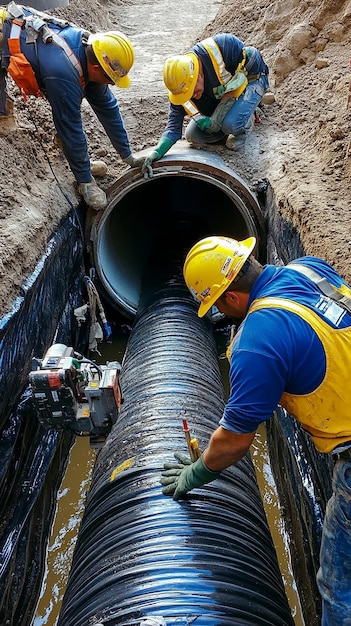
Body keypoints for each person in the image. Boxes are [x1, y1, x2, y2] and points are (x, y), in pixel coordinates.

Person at [161, 235, 351, 626]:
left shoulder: (259, 339)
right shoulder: (310, 267)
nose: (222, 315)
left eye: (216, 305)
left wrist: (196, 474)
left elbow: (234, 441)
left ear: (230, 298)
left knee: (339, 587)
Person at [0, 3, 144, 210]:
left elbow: (108, 108)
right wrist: (85, 180)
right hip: (3, 35)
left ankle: (79, 162)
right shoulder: (63, 70)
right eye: (111, 79)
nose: (112, 84)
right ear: (96, 68)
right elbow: (70, 127)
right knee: (3, 114)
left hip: (23, 33)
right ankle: (81, 172)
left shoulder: (92, 53)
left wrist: (127, 155)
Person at [141, 33, 269, 178]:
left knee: (231, 124)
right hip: (219, 98)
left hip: (252, 80)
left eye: (192, 91)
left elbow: (243, 76)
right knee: (193, 135)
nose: (192, 97)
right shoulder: (180, 85)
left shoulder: (224, 47)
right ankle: (232, 118)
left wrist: (219, 117)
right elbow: (173, 128)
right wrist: (156, 152)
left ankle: (249, 116)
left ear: (198, 75)